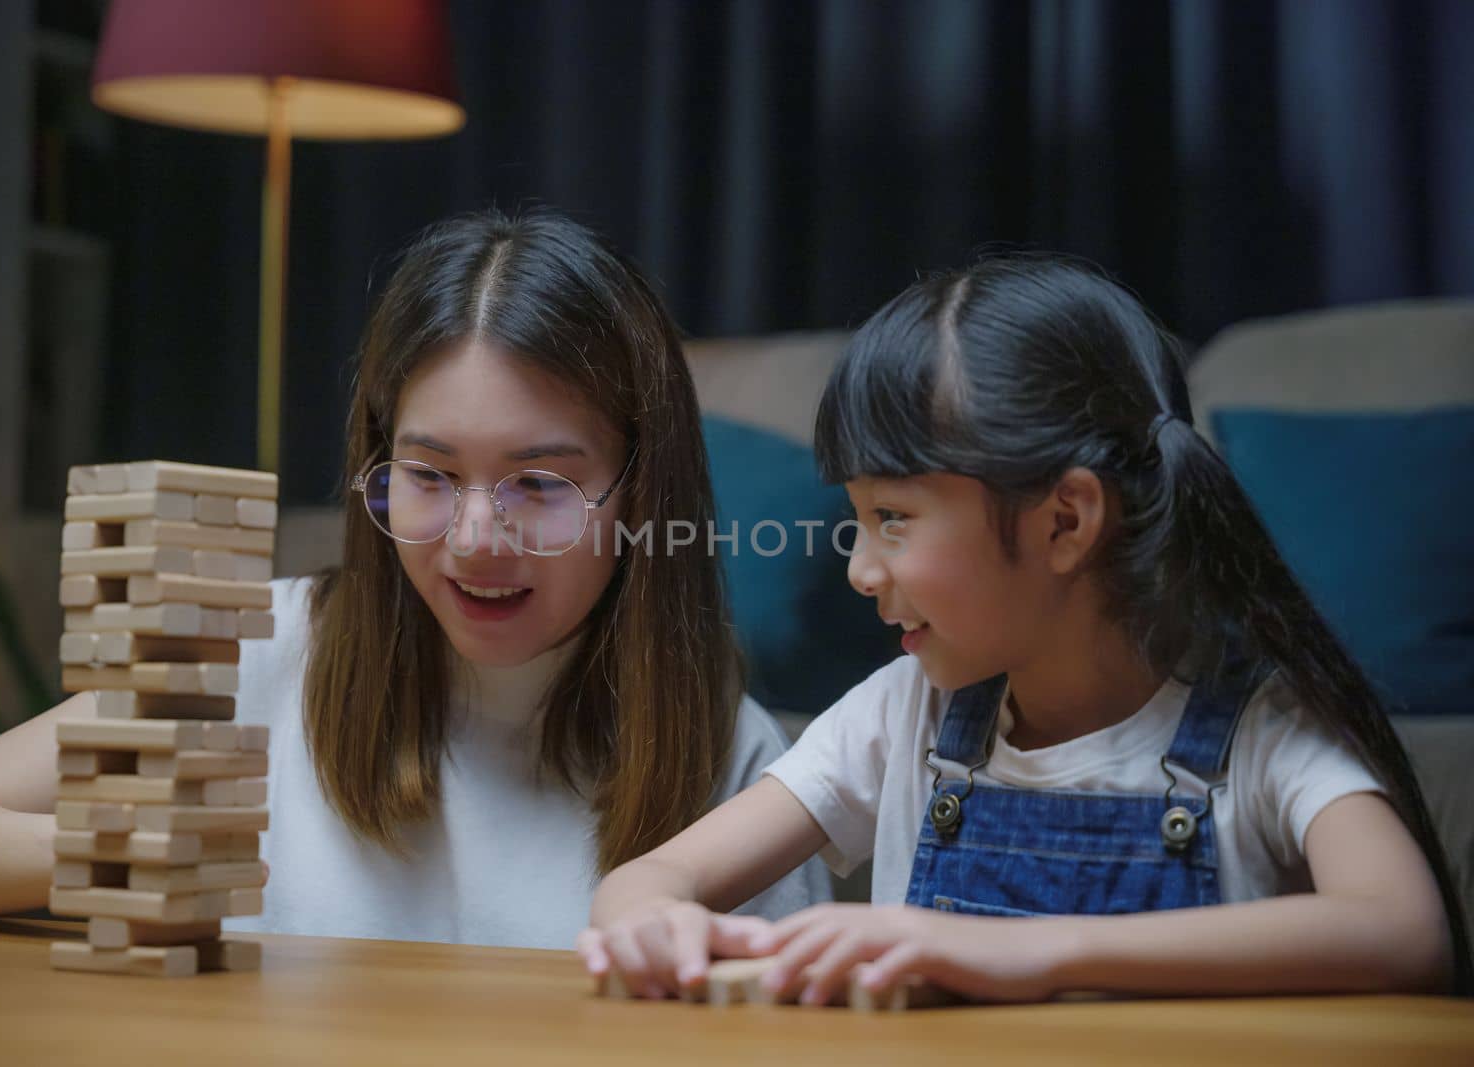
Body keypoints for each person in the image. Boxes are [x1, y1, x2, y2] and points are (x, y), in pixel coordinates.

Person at [0, 209, 830, 948]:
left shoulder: (729, 754)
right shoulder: (266, 646)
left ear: (639, 488)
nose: (472, 539)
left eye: (539, 482)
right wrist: (137, 852)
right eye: (427, 475)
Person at [578, 255, 1468, 1001]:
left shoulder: (1263, 734)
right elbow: (647, 879)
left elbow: (1403, 927)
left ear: (1064, 521)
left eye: (892, 516)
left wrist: (1036, 952)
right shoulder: (900, 715)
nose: (858, 566)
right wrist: (659, 922)